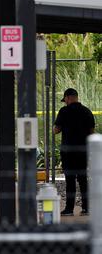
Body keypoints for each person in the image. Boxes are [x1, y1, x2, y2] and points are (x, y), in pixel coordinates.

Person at [54, 88, 95, 216]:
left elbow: (56, 130)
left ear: (67, 98)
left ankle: (69, 209)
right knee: (83, 179)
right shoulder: (87, 111)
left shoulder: (64, 111)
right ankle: (86, 208)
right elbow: (92, 132)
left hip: (68, 152)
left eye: (65, 100)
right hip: (82, 151)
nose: (64, 102)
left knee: (70, 180)